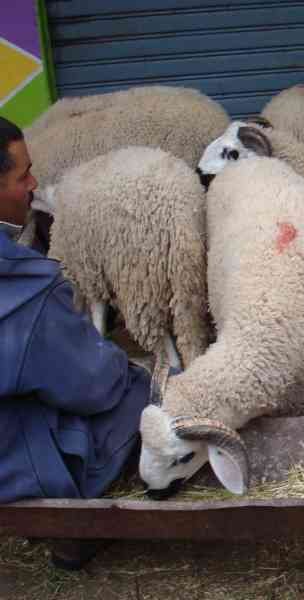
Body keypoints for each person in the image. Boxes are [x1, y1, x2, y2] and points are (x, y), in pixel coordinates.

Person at [0, 116, 151, 569]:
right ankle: (69, 528)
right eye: (23, 173)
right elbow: (92, 385)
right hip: (9, 466)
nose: (34, 183)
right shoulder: (24, 289)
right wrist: (120, 364)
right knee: (134, 390)